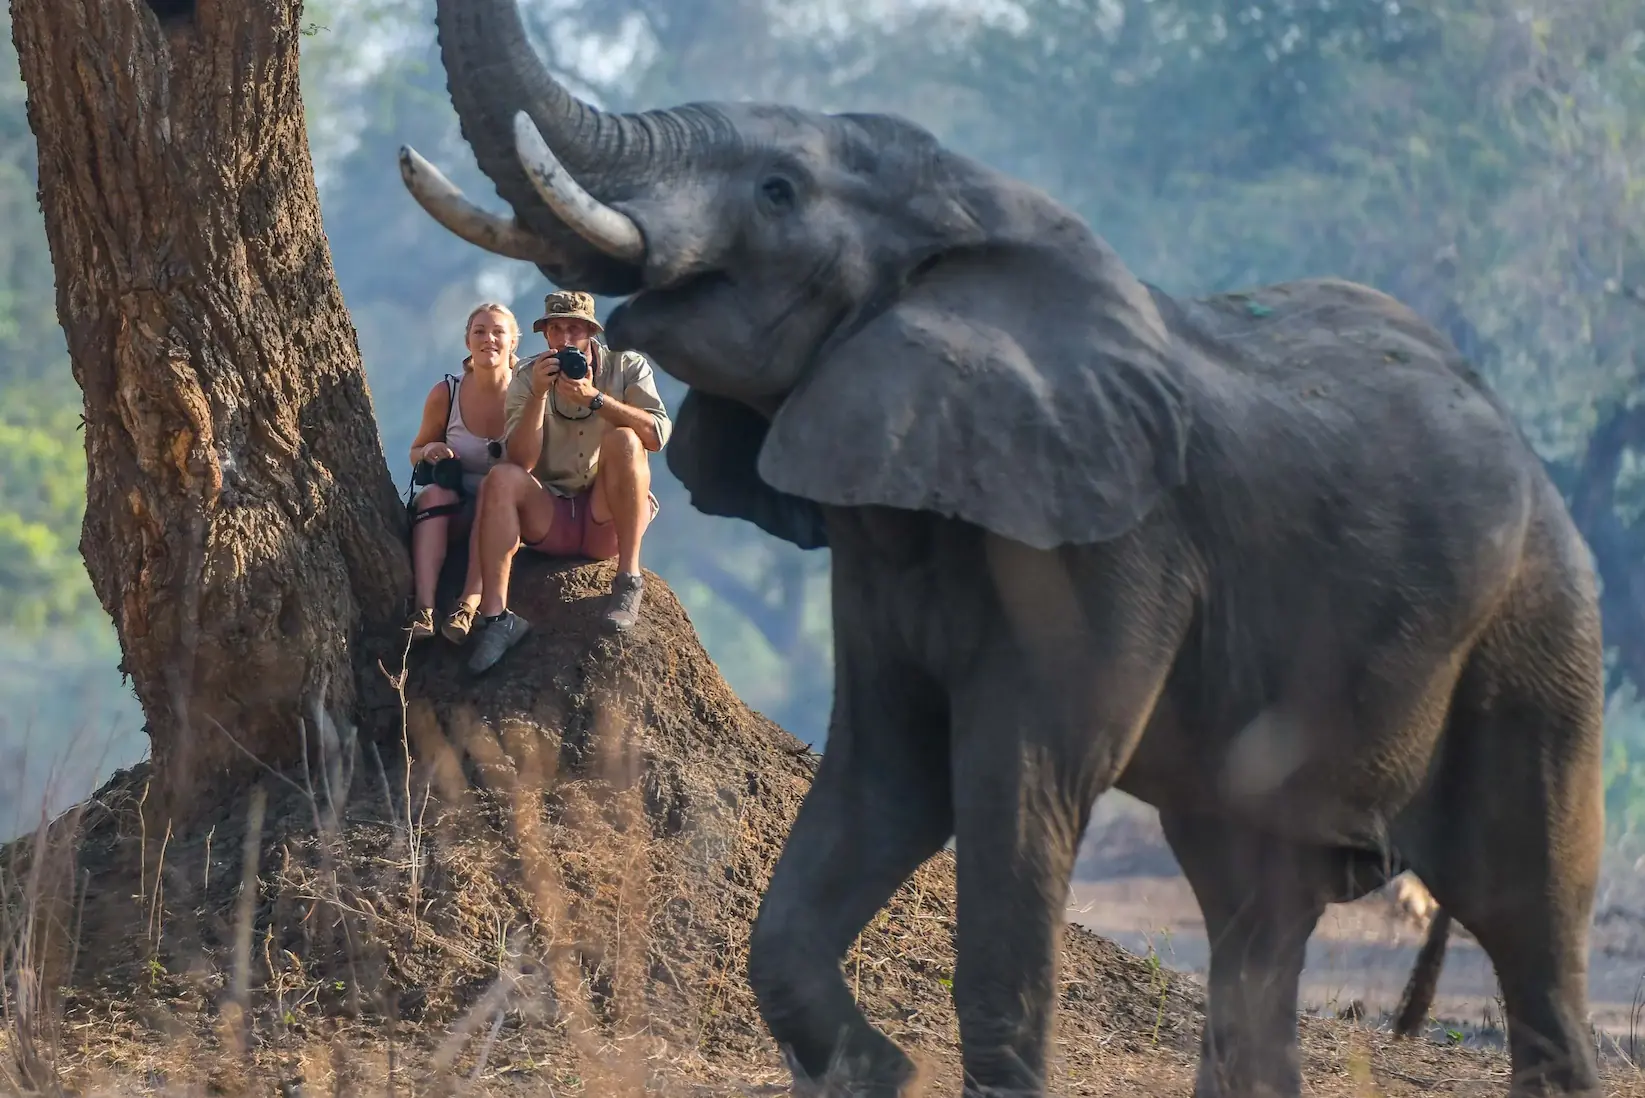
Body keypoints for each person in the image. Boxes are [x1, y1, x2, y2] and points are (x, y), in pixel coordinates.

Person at [464, 290, 671, 674]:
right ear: (544, 336)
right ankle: (496, 618)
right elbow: (521, 461)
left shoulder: (627, 367)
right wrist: (538, 397)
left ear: (590, 333)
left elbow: (656, 436)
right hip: (551, 518)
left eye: (573, 329)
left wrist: (597, 400)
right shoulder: (527, 376)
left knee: (626, 439)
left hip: (603, 518)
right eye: (555, 329)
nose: (563, 339)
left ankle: (628, 580)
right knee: (501, 478)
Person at [405, 302, 518, 643]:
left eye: (499, 332)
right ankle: (423, 609)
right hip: (457, 508)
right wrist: (430, 452)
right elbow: (415, 451)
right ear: (467, 341)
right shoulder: (447, 393)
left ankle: (467, 605)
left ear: (513, 342)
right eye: (479, 332)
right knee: (433, 495)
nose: (489, 339)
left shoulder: (530, 395)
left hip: (508, 513)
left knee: (492, 489)